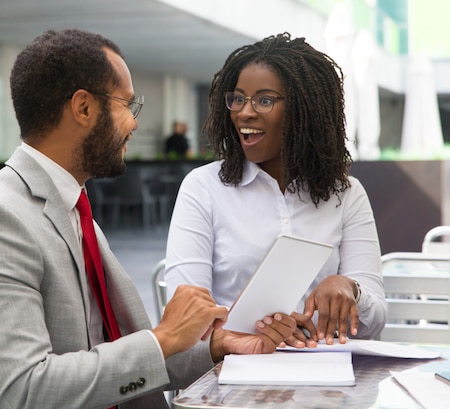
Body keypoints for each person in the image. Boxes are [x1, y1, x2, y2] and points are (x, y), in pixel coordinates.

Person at [0, 29, 297, 409]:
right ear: (84, 108)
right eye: (127, 104)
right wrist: (164, 338)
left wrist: (215, 347)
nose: (134, 123)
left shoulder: (70, 205)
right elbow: (26, 394)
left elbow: (122, 354)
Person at [165, 32, 387, 348]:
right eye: (238, 98)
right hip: (232, 375)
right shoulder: (203, 188)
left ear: (305, 110)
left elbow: (375, 319)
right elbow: (182, 322)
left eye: (264, 100)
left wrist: (350, 290)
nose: (244, 112)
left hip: (325, 376)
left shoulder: (347, 194)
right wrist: (243, 332)